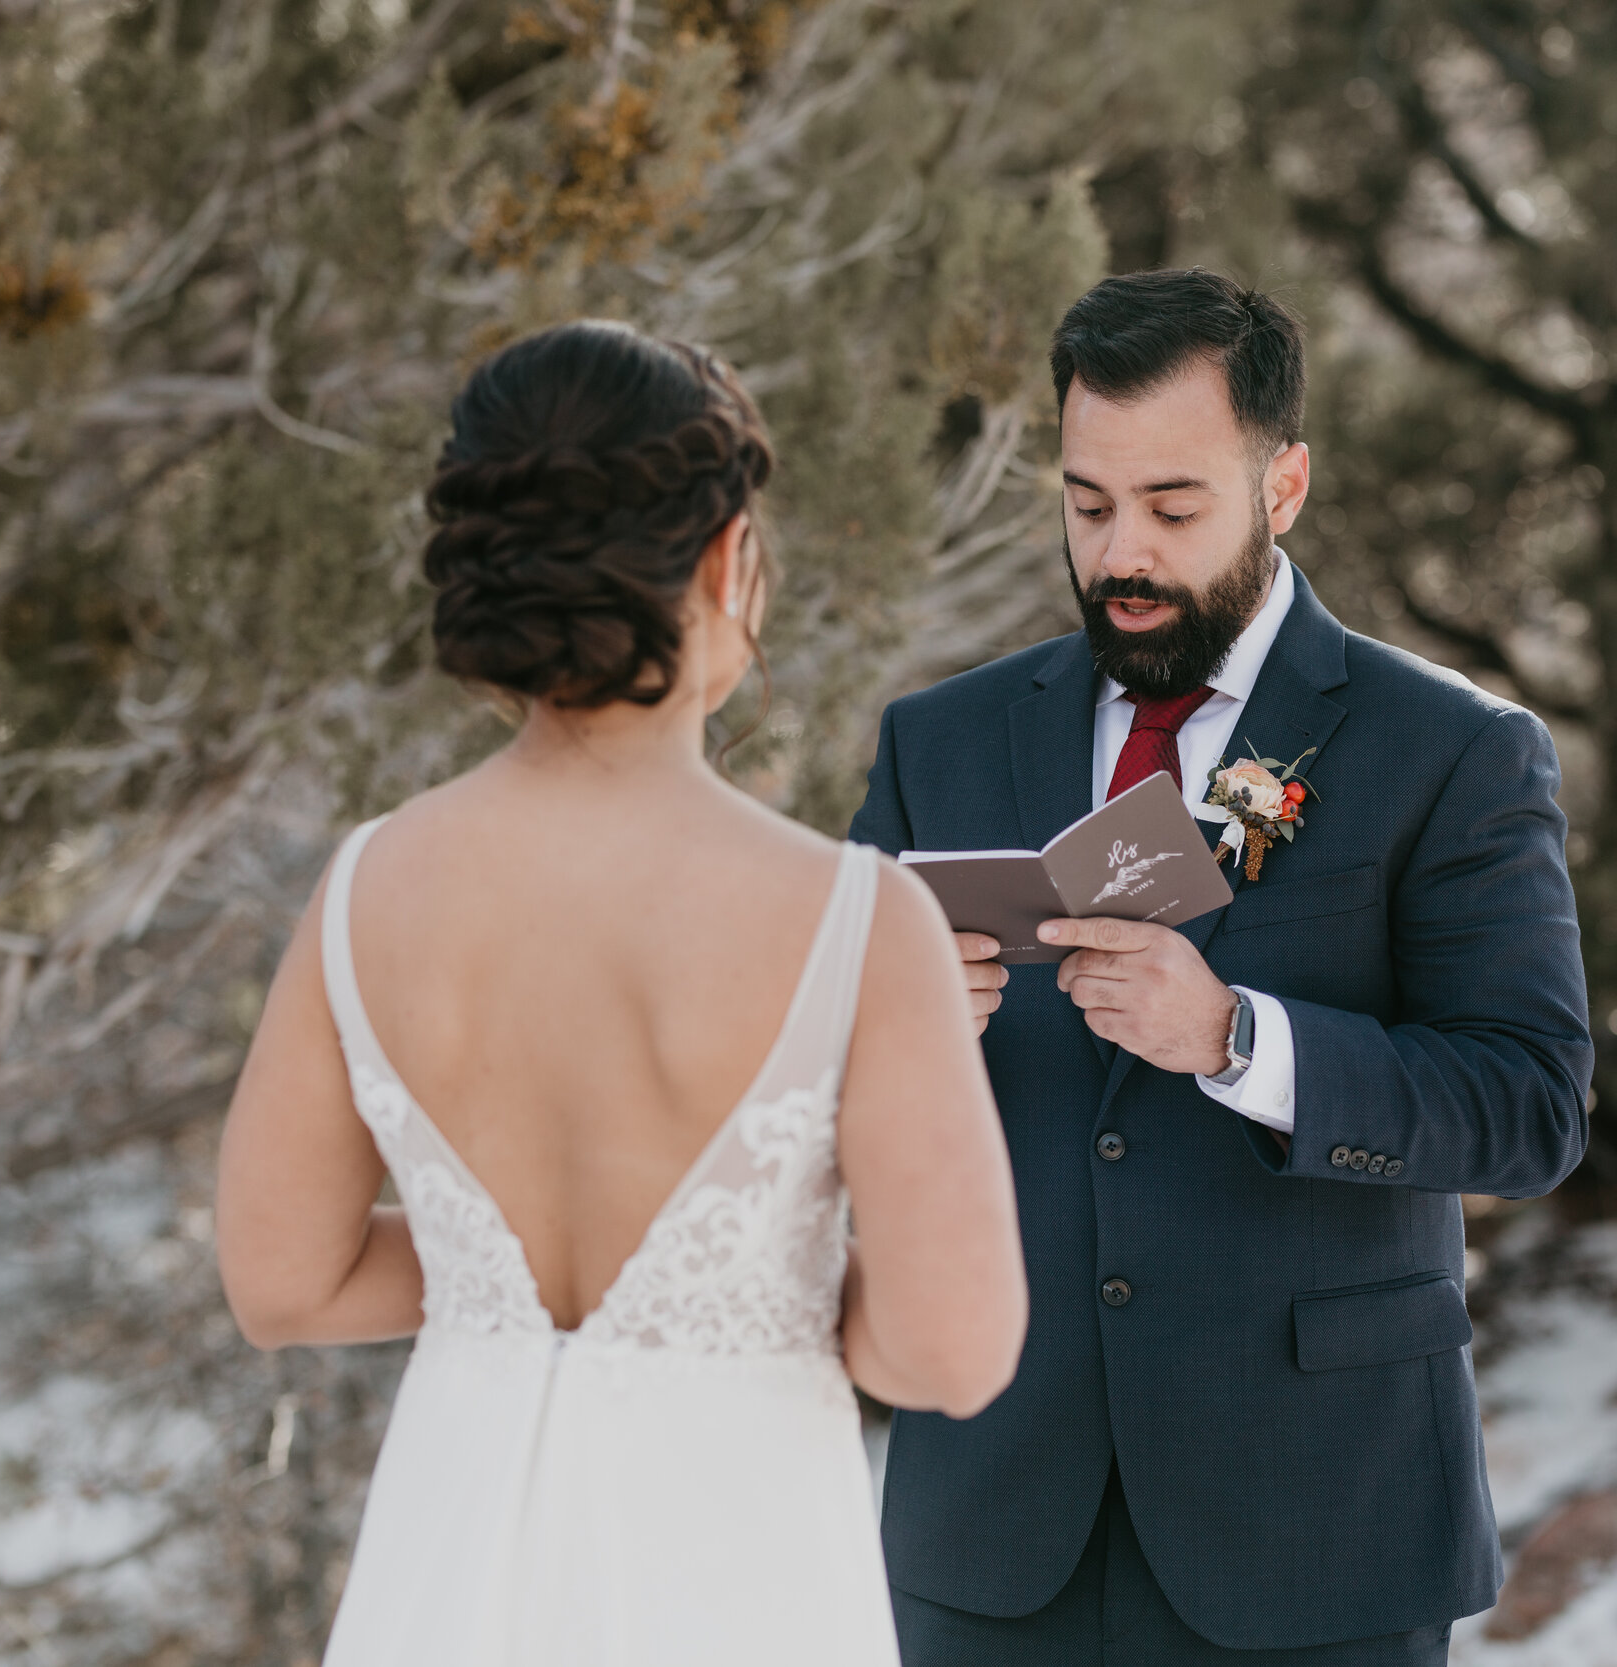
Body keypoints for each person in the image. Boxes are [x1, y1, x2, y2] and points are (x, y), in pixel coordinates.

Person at [214, 320, 1027, 1667]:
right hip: (739, 1574)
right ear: (724, 560)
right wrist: (765, 1276)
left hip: (453, 1570)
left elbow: (285, 1287)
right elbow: (950, 1352)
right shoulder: (852, 918)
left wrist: (503, 1295)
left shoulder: (368, 890)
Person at [852, 269, 1594, 1665]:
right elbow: (816, 1095)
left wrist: (1243, 1042)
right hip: (993, 1525)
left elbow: (1531, 1108)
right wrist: (892, 1031)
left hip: (1320, 1520)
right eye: (1088, 506)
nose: (1122, 552)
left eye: (1174, 508)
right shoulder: (933, 745)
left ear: (1285, 483)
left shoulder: (1449, 750)